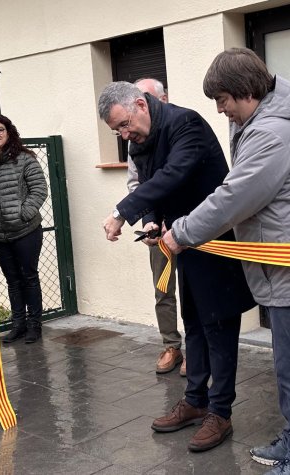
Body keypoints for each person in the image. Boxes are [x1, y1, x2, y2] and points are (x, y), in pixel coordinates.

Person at [163, 47, 290, 475]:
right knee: (289, 368)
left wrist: (180, 233)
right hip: (282, 270)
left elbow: (234, 197)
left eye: (222, 100)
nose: (221, 111)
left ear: (243, 91)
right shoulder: (265, 125)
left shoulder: (270, 133)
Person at [98, 81, 255, 453]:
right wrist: (151, 220)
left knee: (219, 327)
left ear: (140, 104)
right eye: (116, 131)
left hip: (214, 240)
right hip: (182, 243)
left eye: (124, 124)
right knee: (195, 324)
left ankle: (221, 411)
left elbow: (174, 174)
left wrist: (123, 212)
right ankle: (195, 400)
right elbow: (153, 186)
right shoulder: (140, 142)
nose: (124, 135)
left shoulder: (187, 125)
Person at [127, 78, 184, 376]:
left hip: (187, 225)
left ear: (164, 99)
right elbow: (137, 185)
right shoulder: (134, 139)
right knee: (163, 288)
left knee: (194, 289)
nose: (142, 107)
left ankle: (197, 351)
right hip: (156, 228)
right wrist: (149, 221)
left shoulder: (181, 128)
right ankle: (171, 345)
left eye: (146, 99)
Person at [0, 114, 48, 344]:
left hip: (26, 231)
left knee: (29, 277)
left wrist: (23, 214)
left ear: (8, 133)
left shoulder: (24, 159)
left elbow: (39, 189)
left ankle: (34, 325)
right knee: (12, 280)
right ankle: (18, 324)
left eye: (0, 130)